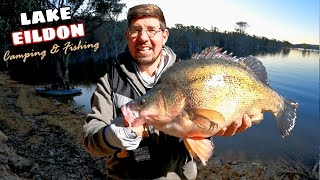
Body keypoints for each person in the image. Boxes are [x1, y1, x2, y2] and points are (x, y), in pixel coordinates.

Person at [82, 4, 252, 179]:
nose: (143, 38)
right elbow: (90, 140)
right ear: (127, 36)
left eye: (152, 30)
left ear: (164, 35)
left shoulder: (189, 74)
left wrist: (214, 130)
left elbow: (201, 143)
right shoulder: (110, 79)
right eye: (135, 30)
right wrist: (110, 136)